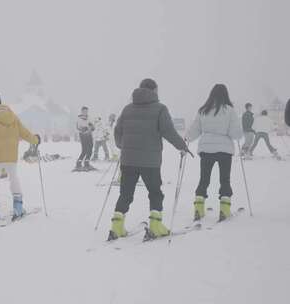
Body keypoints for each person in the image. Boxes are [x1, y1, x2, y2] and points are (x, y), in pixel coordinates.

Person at [108, 78, 189, 241]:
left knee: (125, 193)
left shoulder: (127, 109)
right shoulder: (160, 109)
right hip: (150, 161)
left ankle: (116, 226)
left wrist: (122, 145)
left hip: (128, 159)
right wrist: (182, 146)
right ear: (155, 91)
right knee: (155, 192)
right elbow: (168, 131)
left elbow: (118, 131)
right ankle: (155, 226)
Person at [0, 91, 40, 224]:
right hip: (11, 156)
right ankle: (18, 207)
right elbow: (23, 131)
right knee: (14, 179)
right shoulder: (12, 115)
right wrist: (35, 139)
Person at [185, 84, 243, 222]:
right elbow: (235, 133)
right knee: (225, 179)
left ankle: (199, 207)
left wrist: (187, 138)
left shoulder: (203, 110)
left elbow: (195, 129)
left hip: (206, 149)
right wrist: (237, 134)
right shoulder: (229, 110)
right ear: (225, 95)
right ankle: (224, 209)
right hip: (224, 150)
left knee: (204, 179)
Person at [74, 106, 96, 171]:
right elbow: (78, 128)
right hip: (83, 136)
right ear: (82, 112)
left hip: (89, 135)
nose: (85, 112)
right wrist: (84, 128)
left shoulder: (89, 118)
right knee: (84, 150)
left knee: (90, 149)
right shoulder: (79, 119)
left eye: (86, 111)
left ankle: (87, 163)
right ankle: (78, 163)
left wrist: (92, 127)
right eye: (84, 111)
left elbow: (93, 127)